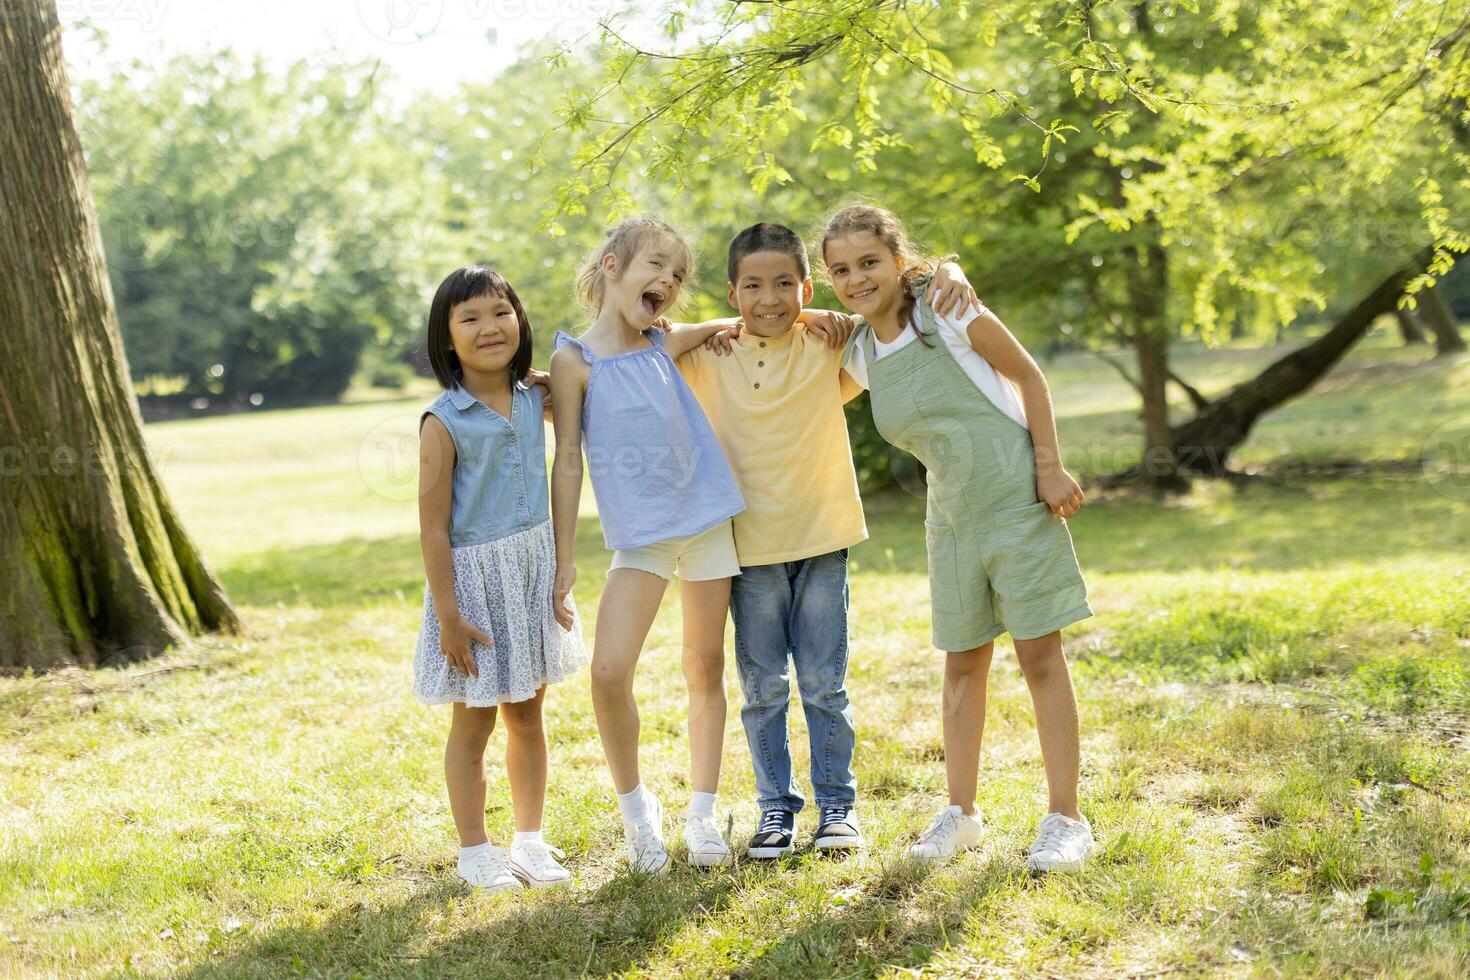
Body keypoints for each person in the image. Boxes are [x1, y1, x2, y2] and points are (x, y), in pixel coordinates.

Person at [677, 222, 980, 860]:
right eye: (753, 286)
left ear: (807, 287)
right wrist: (706, 328)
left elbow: (894, 304)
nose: (769, 298)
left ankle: (838, 809)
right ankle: (775, 812)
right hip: (748, 550)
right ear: (732, 293)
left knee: (823, 684)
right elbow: (643, 347)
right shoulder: (711, 356)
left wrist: (945, 272)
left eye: (785, 284)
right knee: (763, 689)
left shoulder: (829, 343)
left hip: (822, 540)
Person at [822, 203, 1097, 872]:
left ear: (897, 259)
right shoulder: (858, 349)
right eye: (841, 270)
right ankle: (961, 814)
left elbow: (1028, 374)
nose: (858, 278)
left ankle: (1067, 818)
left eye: (869, 262)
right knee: (962, 663)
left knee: (1039, 658)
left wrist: (1050, 465)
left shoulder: (945, 304)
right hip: (948, 515)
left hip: (1017, 498)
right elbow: (795, 379)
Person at [548, 217, 750, 873]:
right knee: (608, 673)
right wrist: (564, 558)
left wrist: (818, 316)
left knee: (704, 667)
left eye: (678, 275)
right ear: (612, 266)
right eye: (655, 266)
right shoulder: (574, 361)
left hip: (707, 517)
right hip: (642, 536)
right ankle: (640, 818)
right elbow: (569, 459)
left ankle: (703, 815)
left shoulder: (664, 342)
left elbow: (730, 326)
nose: (668, 280)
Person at [414, 265, 589, 891]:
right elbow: (434, 529)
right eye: (470, 318)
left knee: (528, 714)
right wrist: (449, 615)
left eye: (500, 311)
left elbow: (593, 387)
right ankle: (474, 850)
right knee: (474, 722)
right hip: (476, 590)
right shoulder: (444, 421)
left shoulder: (531, 397)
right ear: (447, 337)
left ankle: (530, 841)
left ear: (520, 319)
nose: (490, 327)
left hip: (531, 573)